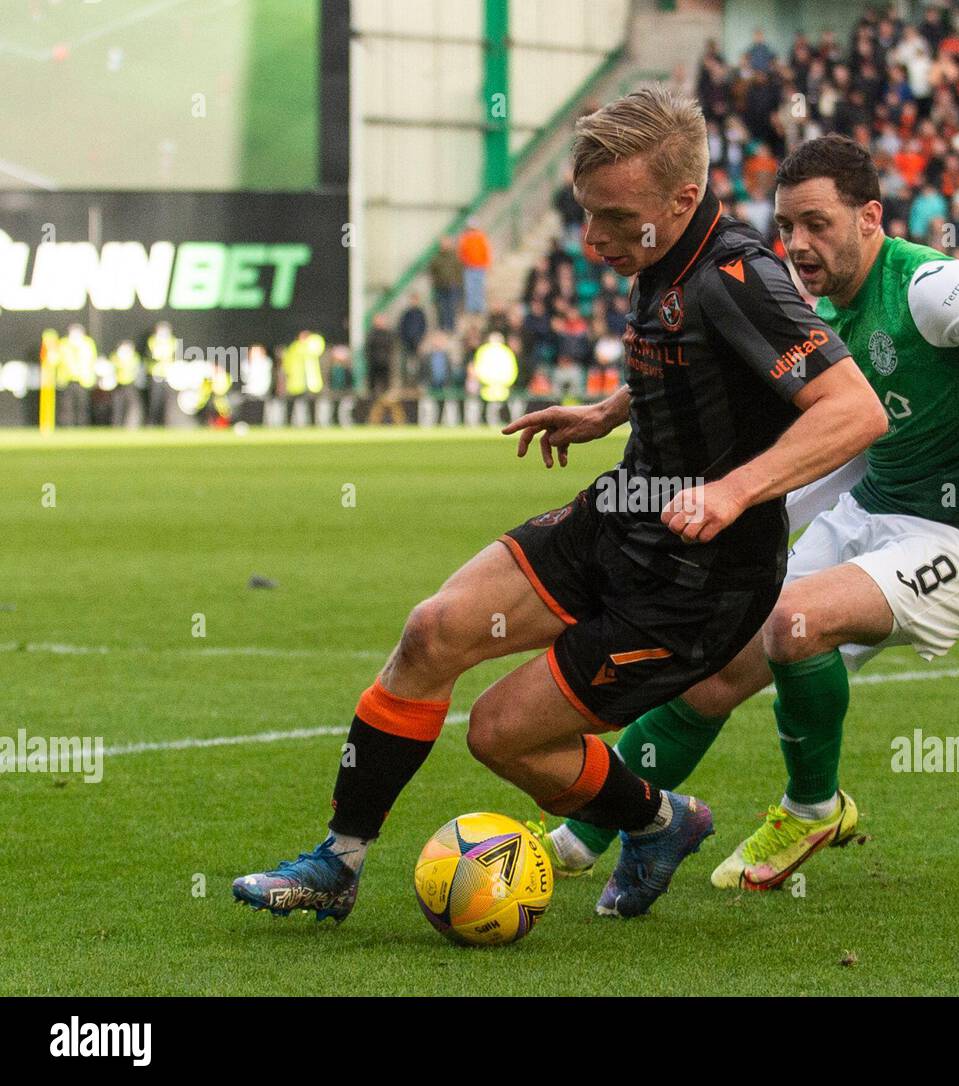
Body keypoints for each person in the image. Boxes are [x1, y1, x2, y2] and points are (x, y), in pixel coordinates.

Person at [233, 86, 884, 923]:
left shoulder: (740, 275)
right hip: (623, 514)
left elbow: (853, 409)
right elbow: (709, 365)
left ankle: (658, 821)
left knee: (500, 734)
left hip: (699, 584)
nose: (592, 239)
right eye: (586, 213)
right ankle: (339, 862)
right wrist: (614, 409)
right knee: (432, 630)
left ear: (684, 201)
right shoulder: (665, 256)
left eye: (613, 217)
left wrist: (734, 489)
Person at [541, 134, 959, 892]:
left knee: (793, 620)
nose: (797, 244)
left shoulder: (931, 288)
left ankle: (812, 806)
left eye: (817, 224)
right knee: (709, 673)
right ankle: (580, 839)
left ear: (870, 217)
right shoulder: (811, 301)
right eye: (786, 227)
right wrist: (614, 410)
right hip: (870, 510)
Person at [457, 220, 492, 316]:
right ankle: (471, 308)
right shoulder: (465, 238)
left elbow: (486, 251)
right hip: (469, 267)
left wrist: (486, 264)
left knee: (479, 287)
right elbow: (462, 252)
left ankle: (479, 307)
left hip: (480, 266)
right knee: (470, 288)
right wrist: (465, 262)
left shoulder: (481, 237)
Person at [428, 237, 462, 331]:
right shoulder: (436, 257)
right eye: (443, 244)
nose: (444, 246)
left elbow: (459, 271)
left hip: (453, 286)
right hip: (440, 286)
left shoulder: (455, 257)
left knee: (451, 307)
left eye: (446, 243)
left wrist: (458, 283)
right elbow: (432, 271)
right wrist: (435, 281)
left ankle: (451, 327)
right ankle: (442, 327)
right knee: (441, 307)